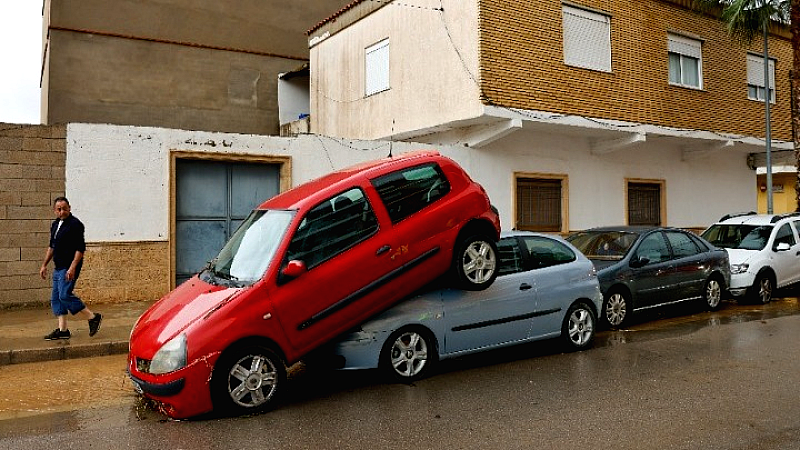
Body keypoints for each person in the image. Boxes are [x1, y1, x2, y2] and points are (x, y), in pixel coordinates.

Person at [39, 197, 102, 340]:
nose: (62, 211)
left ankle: (93, 317)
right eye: (59, 209)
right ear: (55, 210)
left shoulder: (75, 225)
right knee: (56, 299)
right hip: (58, 266)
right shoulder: (55, 225)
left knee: (64, 295)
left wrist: (72, 268)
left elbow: (80, 249)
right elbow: (52, 246)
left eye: (64, 208)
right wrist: (44, 265)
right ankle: (63, 331)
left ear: (69, 208)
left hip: (69, 267)